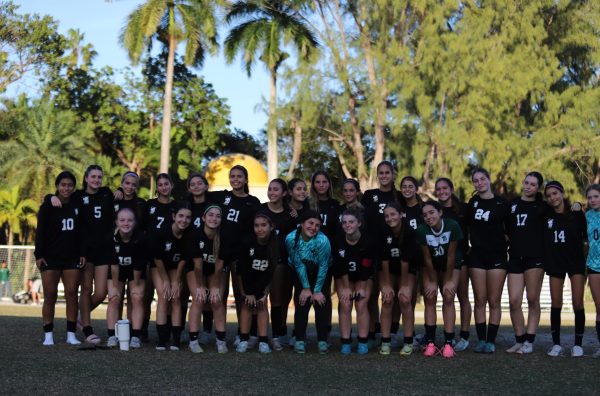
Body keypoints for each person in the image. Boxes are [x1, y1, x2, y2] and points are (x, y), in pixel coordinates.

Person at [51, 165, 115, 344]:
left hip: (103, 249)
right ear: (86, 178)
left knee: (101, 293)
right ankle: (87, 329)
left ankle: (79, 317)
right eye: (93, 176)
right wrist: (51, 197)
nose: (96, 180)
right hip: (85, 251)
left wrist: (118, 191)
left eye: (99, 177)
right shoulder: (78, 196)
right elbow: (60, 197)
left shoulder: (106, 193)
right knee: (86, 290)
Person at [211, 165, 261, 346]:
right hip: (222, 252)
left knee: (243, 295)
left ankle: (244, 333)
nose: (236, 179)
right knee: (220, 294)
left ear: (246, 179)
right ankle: (220, 333)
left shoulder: (253, 202)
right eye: (232, 176)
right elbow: (198, 196)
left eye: (240, 176)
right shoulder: (222, 196)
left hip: (243, 254)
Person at [34, 171, 84, 346]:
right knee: (50, 295)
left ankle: (71, 334)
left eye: (70, 185)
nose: (66, 188)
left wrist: (82, 253)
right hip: (51, 257)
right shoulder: (48, 206)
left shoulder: (78, 202)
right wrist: (38, 255)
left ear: (73, 187)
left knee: (71, 294)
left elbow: (82, 232)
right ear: (57, 186)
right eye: (63, 185)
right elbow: (39, 232)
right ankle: (48, 335)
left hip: (71, 257)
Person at [544, 181, 587, 357]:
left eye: (555, 193)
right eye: (549, 195)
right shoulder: (546, 215)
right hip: (555, 262)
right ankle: (556, 344)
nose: (552, 197)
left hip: (575, 262)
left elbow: (585, 238)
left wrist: (579, 204)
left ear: (561, 193)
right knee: (556, 303)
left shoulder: (576, 214)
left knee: (577, 302)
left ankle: (578, 344)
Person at [506, 172, 546, 354]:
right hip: (515, 257)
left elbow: (562, 210)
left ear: (538, 188)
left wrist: (576, 205)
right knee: (514, 301)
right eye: (527, 182)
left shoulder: (542, 207)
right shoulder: (512, 204)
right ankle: (519, 339)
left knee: (532, 298)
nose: (528, 186)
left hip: (535, 258)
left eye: (533, 184)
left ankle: (529, 341)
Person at [417, 201, 464, 358]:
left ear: (440, 212)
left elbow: (451, 256)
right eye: (425, 215)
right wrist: (431, 281)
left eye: (431, 212)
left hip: (451, 265)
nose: (429, 217)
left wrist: (449, 280)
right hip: (432, 267)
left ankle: (448, 343)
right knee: (430, 296)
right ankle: (430, 342)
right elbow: (427, 258)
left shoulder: (452, 226)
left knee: (449, 295)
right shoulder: (422, 230)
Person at [361, 161, 399, 347]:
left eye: (387, 172)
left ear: (393, 174)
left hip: (393, 252)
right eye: (381, 173)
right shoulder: (369, 195)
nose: (384, 176)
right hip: (371, 249)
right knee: (371, 292)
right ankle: (371, 330)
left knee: (392, 292)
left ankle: (392, 330)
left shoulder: (399, 196)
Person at [286, 210, 332, 354]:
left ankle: (323, 340)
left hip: (321, 271)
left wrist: (317, 290)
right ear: (302, 223)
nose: (313, 227)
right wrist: (306, 288)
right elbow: (298, 264)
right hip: (300, 271)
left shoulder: (323, 240)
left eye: (317, 225)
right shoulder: (291, 238)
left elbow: (324, 265)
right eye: (310, 223)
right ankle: (299, 339)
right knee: (302, 301)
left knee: (321, 302)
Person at [434, 178, 471, 351]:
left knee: (462, 296)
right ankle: (449, 335)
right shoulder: (435, 210)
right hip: (440, 261)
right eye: (438, 189)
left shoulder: (463, 208)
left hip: (461, 260)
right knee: (446, 297)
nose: (441, 191)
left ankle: (464, 336)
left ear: (451, 189)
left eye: (444, 188)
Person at [236, 212, 281, 354]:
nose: (260, 229)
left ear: (271, 227)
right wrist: (246, 293)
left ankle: (263, 341)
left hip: (263, 280)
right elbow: (241, 271)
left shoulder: (275, 245)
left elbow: (271, 273)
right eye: (256, 226)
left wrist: (264, 294)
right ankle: (244, 339)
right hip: (247, 279)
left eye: (263, 225)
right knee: (247, 304)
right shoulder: (247, 242)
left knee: (262, 304)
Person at [185, 205, 229, 353]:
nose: (214, 218)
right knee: (199, 298)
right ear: (203, 218)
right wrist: (201, 286)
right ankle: (193, 340)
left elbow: (219, 264)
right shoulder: (195, 235)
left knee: (216, 300)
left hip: (215, 270)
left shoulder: (223, 237)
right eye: (210, 215)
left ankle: (221, 340)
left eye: (217, 216)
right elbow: (197, 265)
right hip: (197, 270)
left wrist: (215, 286)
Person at [151, 202, 192, 351]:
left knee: (175, 297)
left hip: (175, 266)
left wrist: (176, 280)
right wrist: (167, 280)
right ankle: (162, 339)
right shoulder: (162, 232)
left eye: (188, 217)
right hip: (159, 265)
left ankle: (176, 339)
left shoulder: (189, 235)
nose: (184, 220)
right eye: (181, 216)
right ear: (174, 216)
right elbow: (157, 259)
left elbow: (183, 260)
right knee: (163, 295)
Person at [333, 209, 374, 355]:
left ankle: (363, 342)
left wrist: (362, 287)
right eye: (344, 222)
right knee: (345, 302)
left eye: (351, 222)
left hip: (364, 275)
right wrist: (345, 287)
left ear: (359, 223)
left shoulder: (367, 240)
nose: (347, 225)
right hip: (344, 276)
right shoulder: (338, 240)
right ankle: (346, 342)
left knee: (361, 302)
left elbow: (367, 265)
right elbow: (340, 266)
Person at [261, 179, 295, 350]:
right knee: (258, 298)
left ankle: (276, 336)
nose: (272, 192)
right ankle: (255, 335)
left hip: (280, 263)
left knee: (278, 299)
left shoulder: (290, 215)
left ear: (284, 193)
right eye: (270, 189)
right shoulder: (260, 210)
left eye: (276, 189)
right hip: (259, 262)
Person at [378, 202, 415, 356]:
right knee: (386, 299)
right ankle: (385, 341)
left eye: (393, 214)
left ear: (401, 215)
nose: (390, 218)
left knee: (405, 299)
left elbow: (406, 261)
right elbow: (384, 261)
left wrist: (405, 285)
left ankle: (408, 341)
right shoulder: (382, 231)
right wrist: (386, 285)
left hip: (407, 269)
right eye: (386, 215)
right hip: (388, 269)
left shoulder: (409, 231)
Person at [106, 208, 146, 349]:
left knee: (137, 297)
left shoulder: (140, 239)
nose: (126, 223)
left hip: (135, 271)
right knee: (114, 298)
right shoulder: (111, 238)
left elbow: (138, 267)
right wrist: (116, 287)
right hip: (118, 270)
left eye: (129, 220)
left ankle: (135, 336)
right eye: (122, 220)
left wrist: (134, 286)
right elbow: (114, 266)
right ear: (116, 222)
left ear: (134, 222)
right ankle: (111, 335)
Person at [141, 173, 175, 342]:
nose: (163, 187)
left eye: (166, 184)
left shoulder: (176, 206)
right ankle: (143, 328)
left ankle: (168, 329)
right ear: (157, 188)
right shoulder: (150, 205)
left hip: (169, 256)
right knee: (146, 294)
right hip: (149, 255)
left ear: (171, 186)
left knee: (168, 295)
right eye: (160, 184)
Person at [585, 184, 600, 358]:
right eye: (590, 197)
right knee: (598, 306)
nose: (592, 200)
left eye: (596, 196)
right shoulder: (587, 216)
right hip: (594, 265)